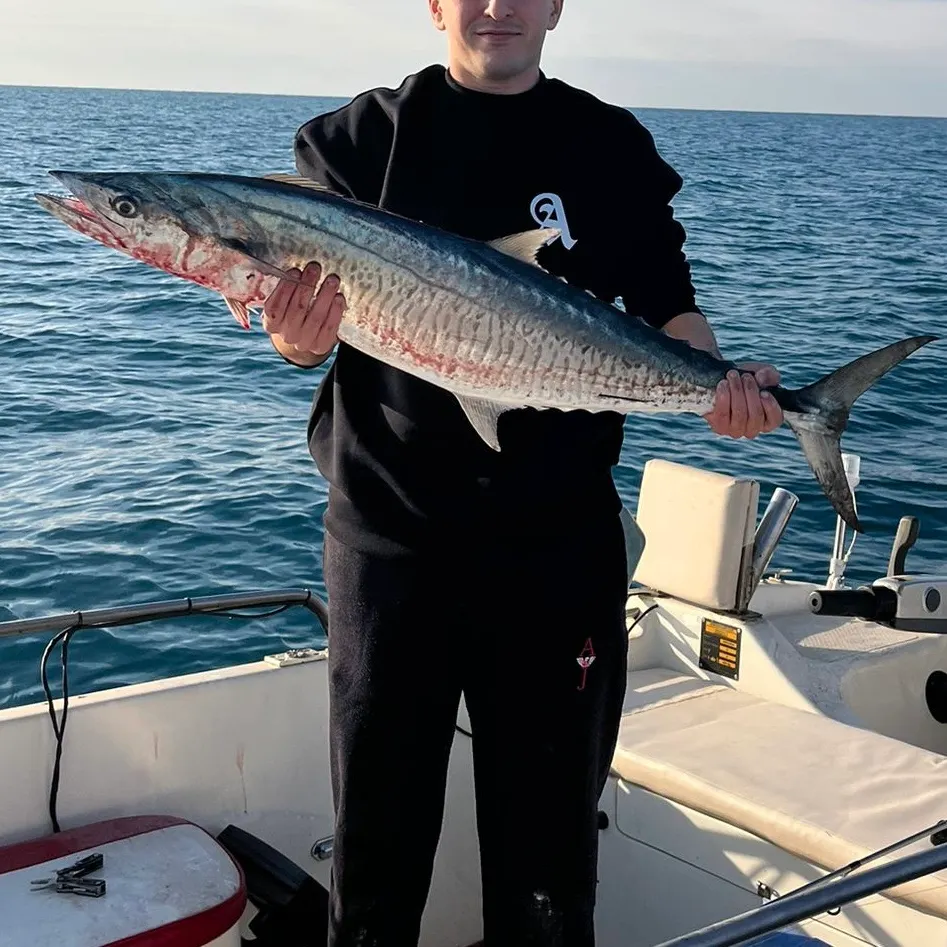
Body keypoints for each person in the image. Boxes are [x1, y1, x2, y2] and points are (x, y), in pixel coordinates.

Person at [261, 2, 783, 944]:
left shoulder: (605, 143)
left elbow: (672, 309)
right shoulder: (353, 142)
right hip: (390, 544)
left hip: (556, 552)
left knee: (548, 871)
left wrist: (721, 391)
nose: (495, 6)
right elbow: (301, 327)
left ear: (555, 7)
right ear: (431, 4)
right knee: (374, 860)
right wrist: (293, 342)